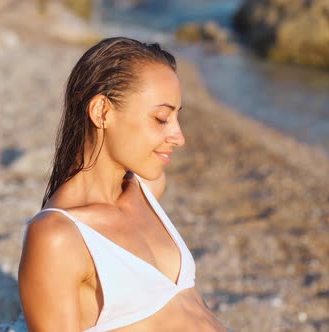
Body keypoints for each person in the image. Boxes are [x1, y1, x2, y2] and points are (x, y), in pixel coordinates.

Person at [18, 37, 230, 331]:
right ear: (102, 112)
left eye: (176, 119)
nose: (179, 137)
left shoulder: (147, 190)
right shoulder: (58, 237)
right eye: (160, 118)